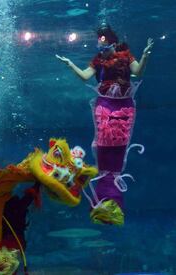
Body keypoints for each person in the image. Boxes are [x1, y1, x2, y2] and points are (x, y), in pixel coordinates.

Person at [56, 23, 153, 225]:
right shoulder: (99, 59)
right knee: (103, 143)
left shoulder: (126, 55)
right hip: (105, 103)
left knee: (118, 146)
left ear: (111, 40)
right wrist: (70, 64)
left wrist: (144, 56)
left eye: (103, 40)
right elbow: (85, 77)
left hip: (123, 105)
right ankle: (105, 197)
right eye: (99, 40)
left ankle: (111, 198)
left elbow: (139, 72)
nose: (100, 43)